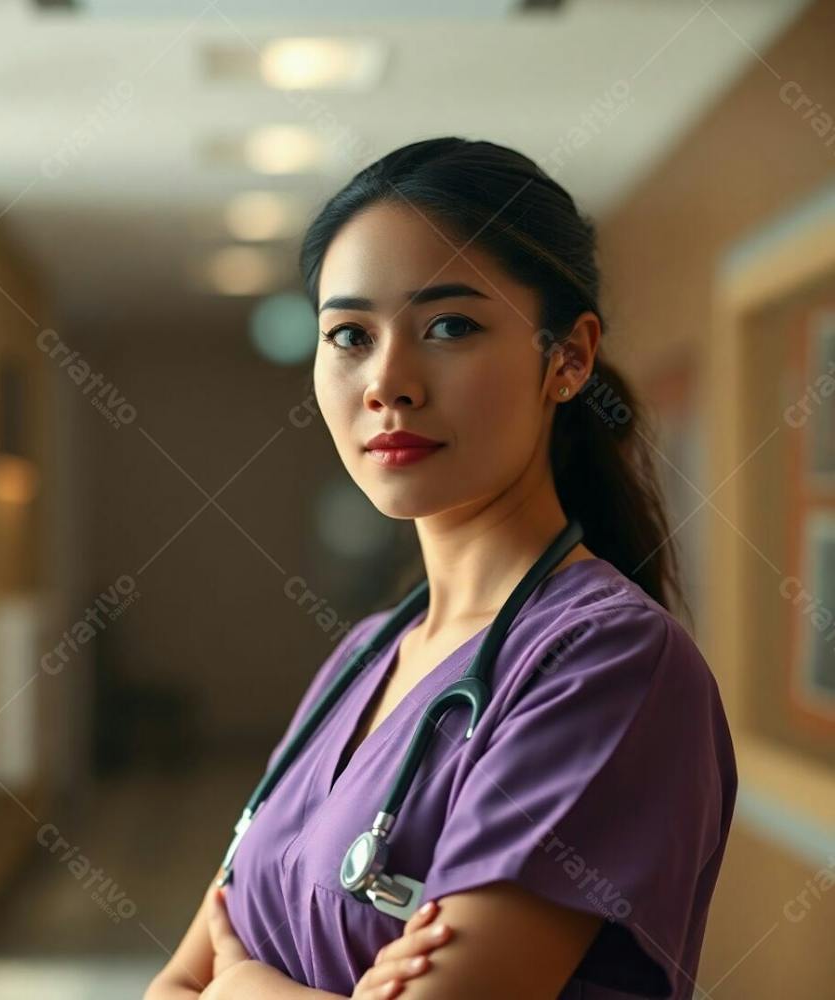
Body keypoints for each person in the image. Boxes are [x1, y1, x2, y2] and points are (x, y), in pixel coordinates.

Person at [144, 137, 737, 1000]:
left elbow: (204, 981)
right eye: (349, 334)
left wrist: (240, 987)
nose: (387, 381)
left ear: (567, 358)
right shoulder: (365, 653)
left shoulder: (608, 664)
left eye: (450, 326)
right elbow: (169, 986)